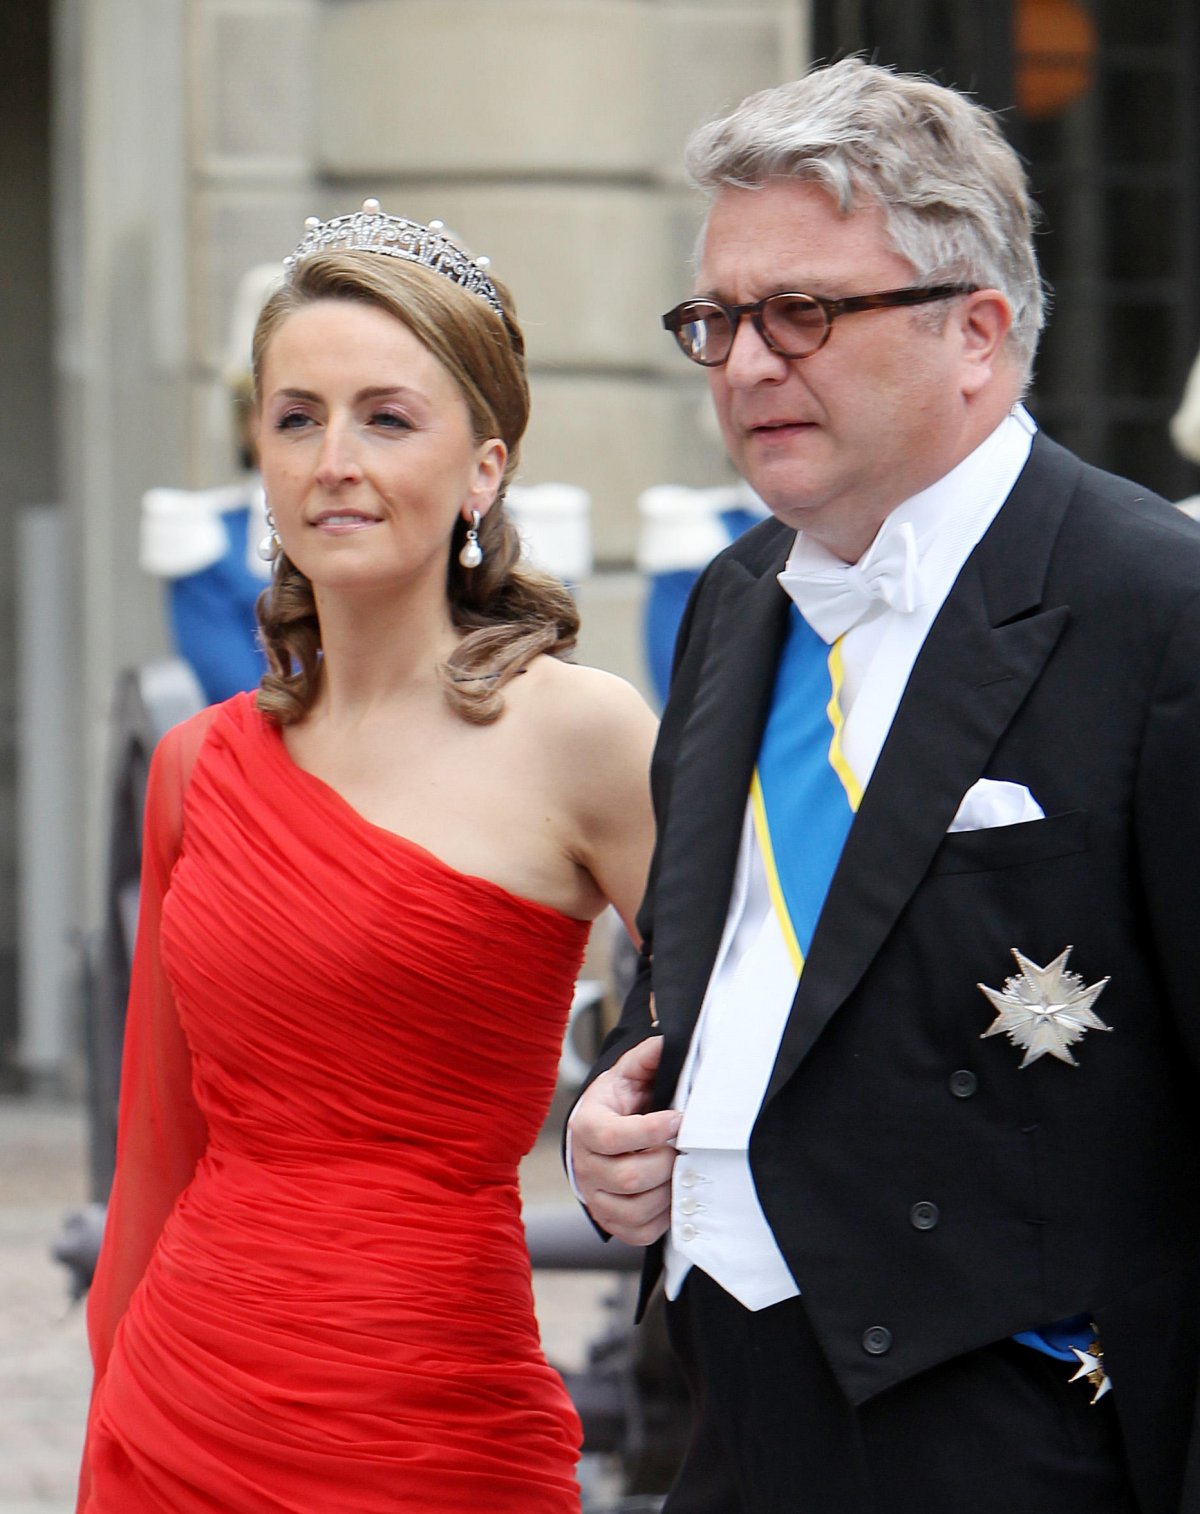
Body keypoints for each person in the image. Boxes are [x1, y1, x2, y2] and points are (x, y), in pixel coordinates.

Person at [569, 57, 1200, 1514]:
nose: (743, 363)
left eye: (805, 312)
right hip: (726, 1418)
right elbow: (708, 977)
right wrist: (611, 1103)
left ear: (978, 330)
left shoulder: (1155, 611)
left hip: (1023, 1433)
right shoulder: (738, 604)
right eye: (717, 319)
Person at [78, 201, 658, 1514]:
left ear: (486, 468)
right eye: (297, 418)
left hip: (437, 1416)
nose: (334, 458)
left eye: (387, 418)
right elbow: (156, 1152)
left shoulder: (587, 735)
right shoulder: (197, 762)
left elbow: (757, 1019)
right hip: (180, 1412)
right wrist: (114, 1418)